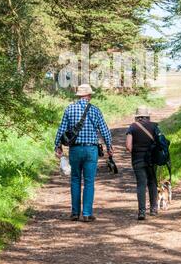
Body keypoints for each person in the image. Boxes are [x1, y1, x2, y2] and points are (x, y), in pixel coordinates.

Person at [55, 84, 113, 222]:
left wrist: (57, 146)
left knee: (75, 179)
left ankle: (75, 213)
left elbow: (62, 129)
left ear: (79, 96)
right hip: (91, 150)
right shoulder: (95, 110)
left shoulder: (69, 109)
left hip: (75, 149)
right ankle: (86, 213)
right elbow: (104, 130)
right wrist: (109, 146)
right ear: (89, 96)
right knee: (89, 181)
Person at [126, 107, 158, 220]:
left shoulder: (132, 127)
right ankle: (154, 209)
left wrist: (136, 150)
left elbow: (128, 147)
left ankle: (142, 212)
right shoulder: (154, 126)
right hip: (152, 159)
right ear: (147, 116)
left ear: (137, 116)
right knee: (152, 182)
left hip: (137, 160)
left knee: (141, 184)